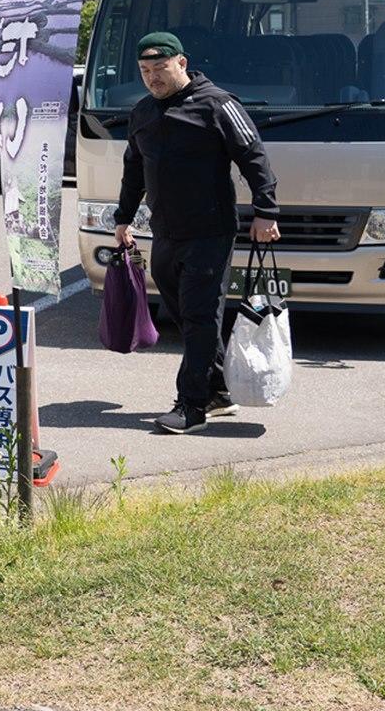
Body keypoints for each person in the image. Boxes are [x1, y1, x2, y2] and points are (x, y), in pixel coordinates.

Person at [114, 31, 281, 435]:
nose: (153, 77)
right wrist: (123, 218)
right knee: (188, 318)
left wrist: (265, 211)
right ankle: (220, 392)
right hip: (166, 233)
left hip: (211, 232)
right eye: (145, 71)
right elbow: (134, 169)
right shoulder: (143, 113)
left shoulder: (217, 105)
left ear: (182, 63)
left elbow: (253, 155)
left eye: (160, 68)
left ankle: (191, 405)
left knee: (199, 315)